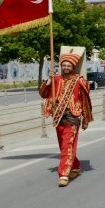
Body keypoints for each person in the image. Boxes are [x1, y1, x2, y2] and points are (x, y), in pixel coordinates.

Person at [39, 48, 93, 187]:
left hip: (72, 117)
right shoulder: (56, 79)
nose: (66, 67)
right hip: (58, 117)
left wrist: (86, 118)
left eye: (69, 65)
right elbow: (43, 93)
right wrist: (49, 80)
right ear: (61, 66)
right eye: (64, 65)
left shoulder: (78, 81)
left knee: (67, 146)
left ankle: (63, 174)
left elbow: (86, 98)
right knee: (64, 146)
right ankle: (75, 167)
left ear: (73, 67)